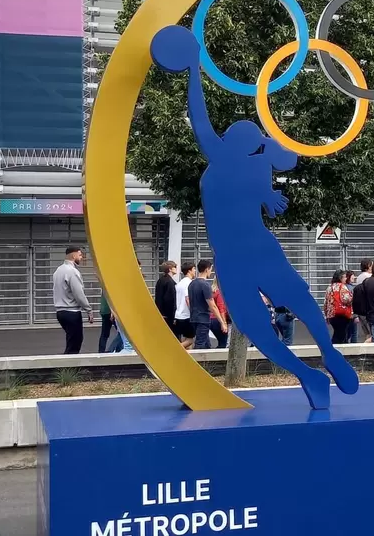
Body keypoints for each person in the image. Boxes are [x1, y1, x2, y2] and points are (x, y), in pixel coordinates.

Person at [151, 24, 358, 408]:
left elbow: (198, 116)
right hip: (258, 249)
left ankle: (309, 371)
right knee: (296, 300)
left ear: (231, 140)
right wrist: (271, 149)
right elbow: (290, 155)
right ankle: (324, 359)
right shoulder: (261, 165)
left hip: (233, 257)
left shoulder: (223, 158)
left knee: (255, 325)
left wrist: (195, 69)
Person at [53, 246, 93, 354]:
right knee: (75, 342)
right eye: (80, 255)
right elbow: (78, 294)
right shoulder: (72, 272)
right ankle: (69, 368)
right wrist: (89, 310)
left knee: (71, 341)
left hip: (60, 312)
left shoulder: (58, 271)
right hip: (71, 312)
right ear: (73, 255)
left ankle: (69, 367)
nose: (81, 258)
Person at [189, 260, 227, 349]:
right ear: (207, 269)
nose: (211, 272)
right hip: (203, 318)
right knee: (200, 344)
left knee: (206, 344)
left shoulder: (192, 284)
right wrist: (222, 322)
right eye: (211, 269)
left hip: (194, 317)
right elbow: (212, 305)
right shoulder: (205, 285)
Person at [324, 270, 353, 345]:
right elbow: (347, 299)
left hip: (331, 315)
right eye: (344, 277)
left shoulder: (329, 287)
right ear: (340, 278)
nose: (346, 278)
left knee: (338, 332)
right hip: (342, 314)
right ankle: (335, 351)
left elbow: (326, 303)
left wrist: (326, 315)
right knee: (340, 335)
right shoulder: (342, 287)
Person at [174, 262, 196, 349]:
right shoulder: (189, 283)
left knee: (184, 338)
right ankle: (175, 350)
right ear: (189, 270)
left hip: (179, 314)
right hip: (187, 315)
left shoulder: (179, 284)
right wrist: (193, 312)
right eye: (194, 269)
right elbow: (188, 299)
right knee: (190, 340)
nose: (195, 271)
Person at [155, 261, 178, 333]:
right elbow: (170, 300)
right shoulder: (169, 282)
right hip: (168, 315)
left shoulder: (161, 280)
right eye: (175, 267)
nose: (176, 269)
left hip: (162, 313)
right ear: (170, 269)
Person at [210, 279, 230, 348]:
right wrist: (224, 323)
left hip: (211, 318)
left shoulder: (212, 292)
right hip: (218, 320)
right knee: (223, 343)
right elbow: (221, 309)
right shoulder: (220, 293)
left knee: (221, 342)